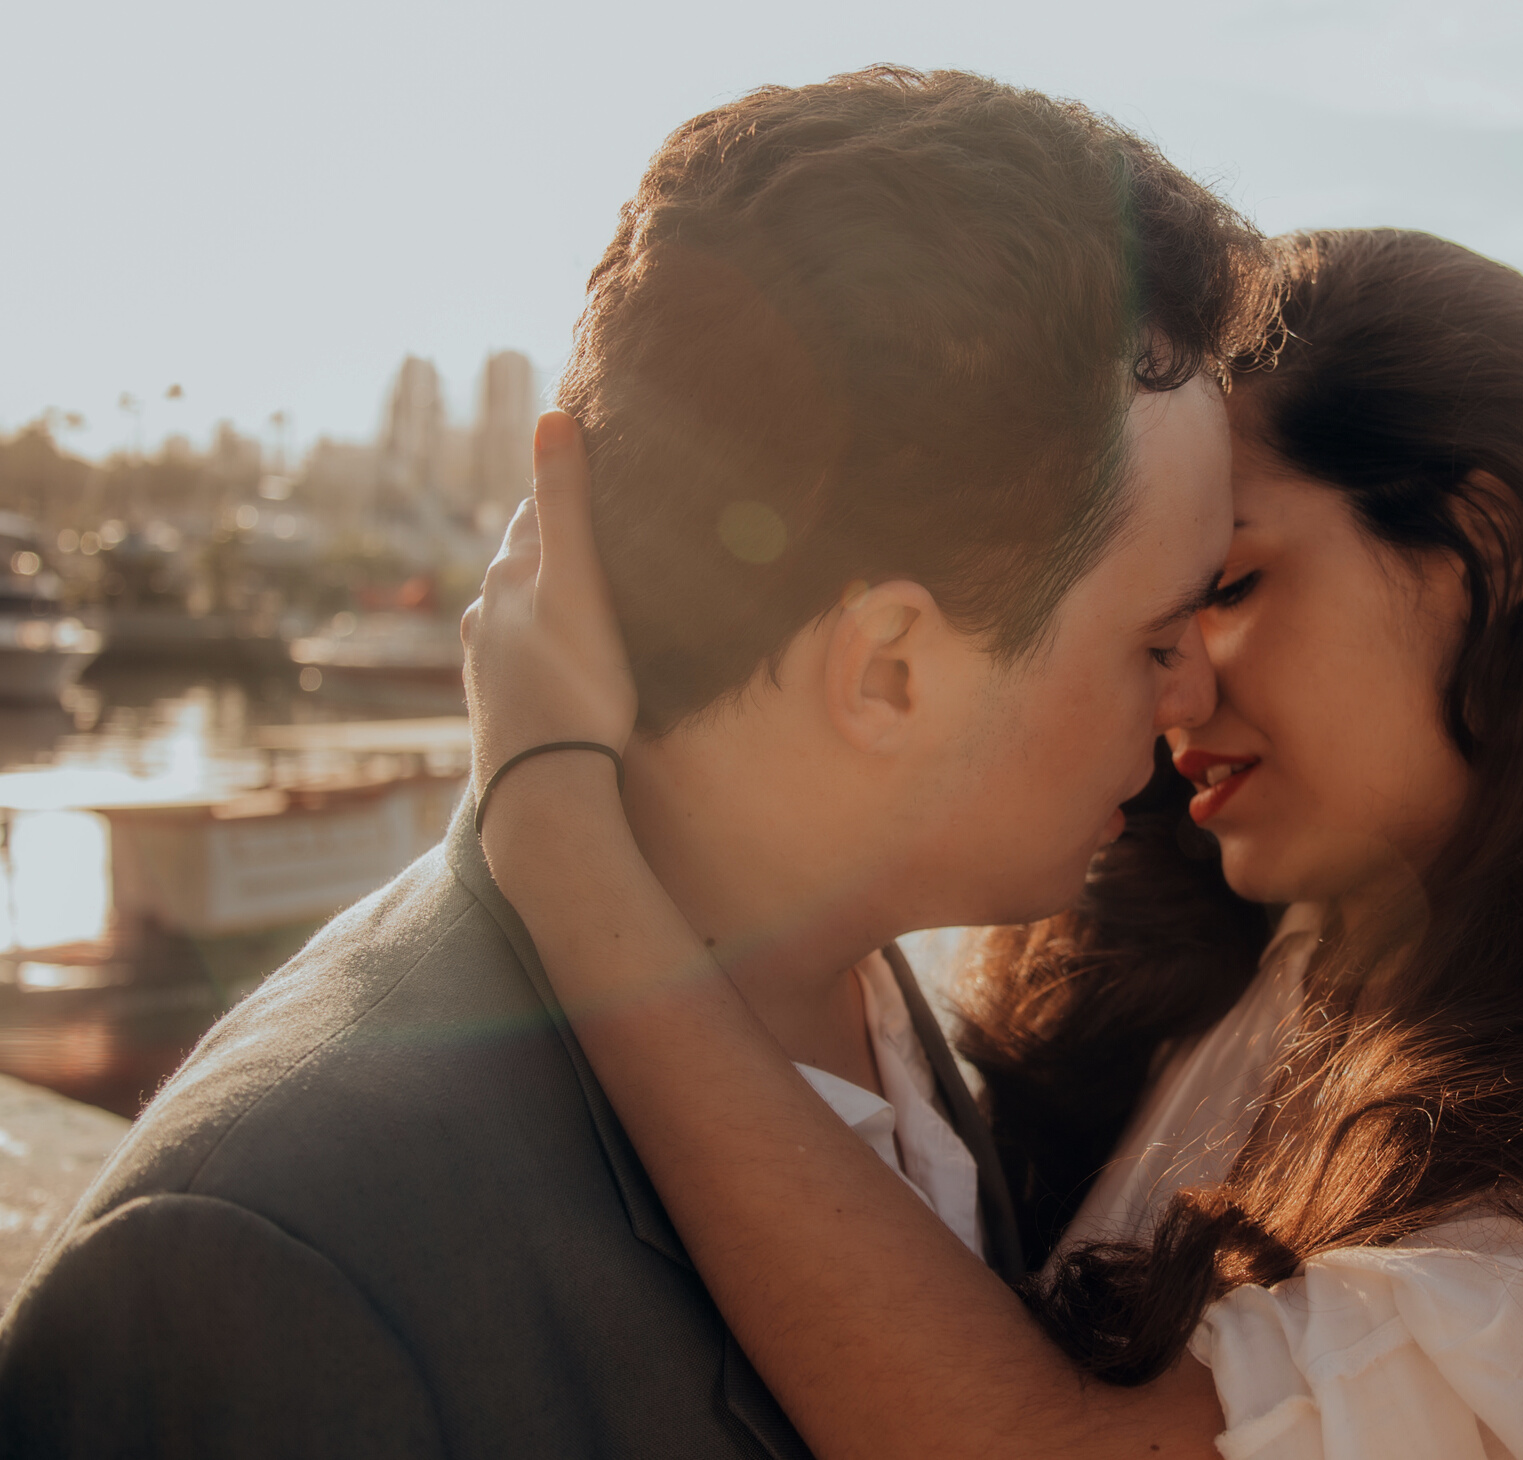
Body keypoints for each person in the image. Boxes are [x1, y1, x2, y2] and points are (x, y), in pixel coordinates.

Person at [464, 229, 1523, 1458]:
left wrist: (552, 817)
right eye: (1156, 604)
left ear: (1485, 549)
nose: (1173, 672)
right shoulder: (1261, 968)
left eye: (1237, 582)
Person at [0, 68, 1271, 1457]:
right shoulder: (265, 1274)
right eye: (1152, 637)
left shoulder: (864, 991)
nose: (1189, 693)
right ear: (889, 671)